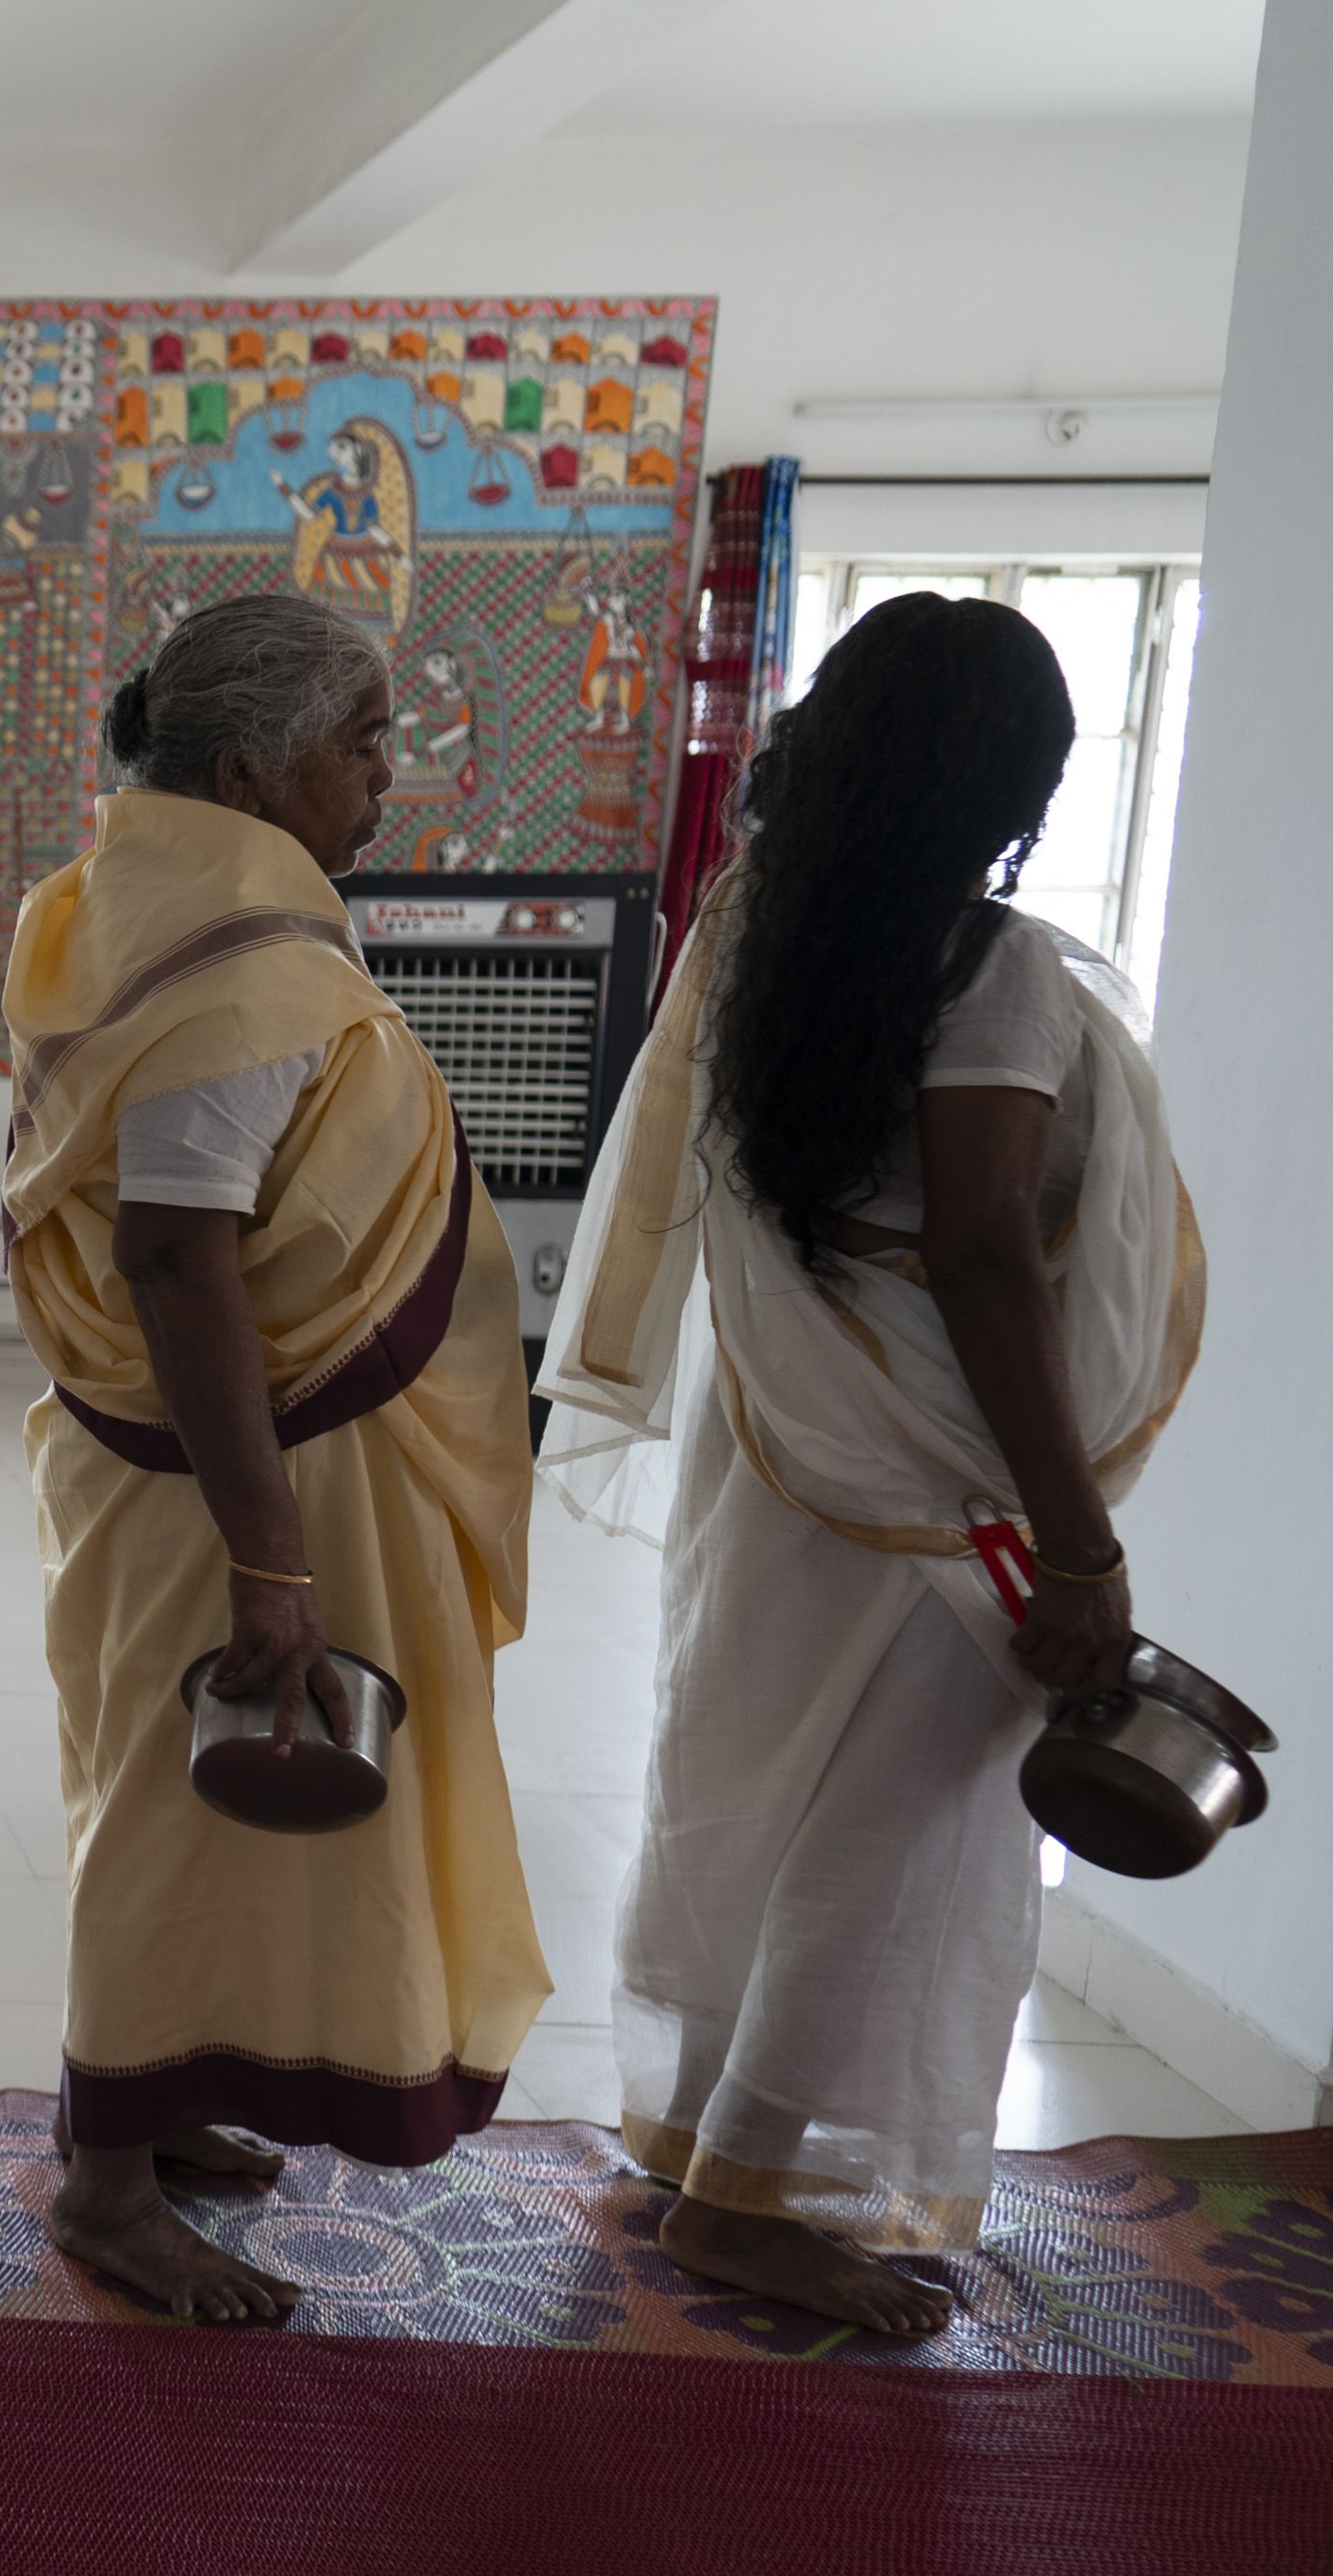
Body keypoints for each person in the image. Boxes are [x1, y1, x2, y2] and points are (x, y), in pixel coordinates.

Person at [539, 595, 1201, 2336]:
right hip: (939, 1474)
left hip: (785, 1447)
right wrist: (1077, 1543)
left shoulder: (758, 929)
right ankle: (749, 2200)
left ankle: (701, 2142)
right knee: (886, 1830)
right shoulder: (993, 975)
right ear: (1002, 790)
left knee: (749, 1774)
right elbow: (984, 1251)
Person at [0, 594, 548, 2326]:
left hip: (207, 1465)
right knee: (175, 1808)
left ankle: (154, 2099)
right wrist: (272, 1554)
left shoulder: (120, 910)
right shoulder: (244, 960)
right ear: (251, 765)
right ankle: (102, 2181)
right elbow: (177, 1255)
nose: (390, 774)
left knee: (181, 1803)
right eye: (363, 740)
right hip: (235, 1482)